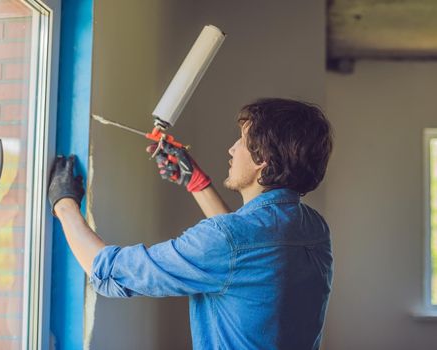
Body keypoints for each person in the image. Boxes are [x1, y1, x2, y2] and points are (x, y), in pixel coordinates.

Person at [48, 97, 334, 349]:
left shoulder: (229, 239)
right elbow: (242, 253)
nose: (232, 150)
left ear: (264, 158)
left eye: (242, 141)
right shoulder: (314, 228)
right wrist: (195, 182)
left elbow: (110, 273)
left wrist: (64, 203)